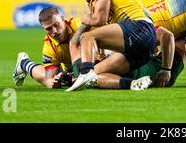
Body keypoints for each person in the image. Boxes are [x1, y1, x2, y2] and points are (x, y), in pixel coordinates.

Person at [12, 7, 155, 90]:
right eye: (48, 29)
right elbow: (50, 80)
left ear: (63, 18)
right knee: (52, 82)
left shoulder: (79, 25)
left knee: (91, 76)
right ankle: (25, 63)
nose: (54, 31)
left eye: (56, 24)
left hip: (93, 62)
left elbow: (107, 34)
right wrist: (55, 80)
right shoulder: (49, 46)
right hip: (72, 70)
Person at [65, 0, 157, 91]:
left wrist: (86, 19)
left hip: (139, 27)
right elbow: (105, 27)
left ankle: (85, 72)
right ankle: (134, 84)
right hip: (144, 46)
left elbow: (99, 19)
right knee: (95, 75)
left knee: (86, 37)